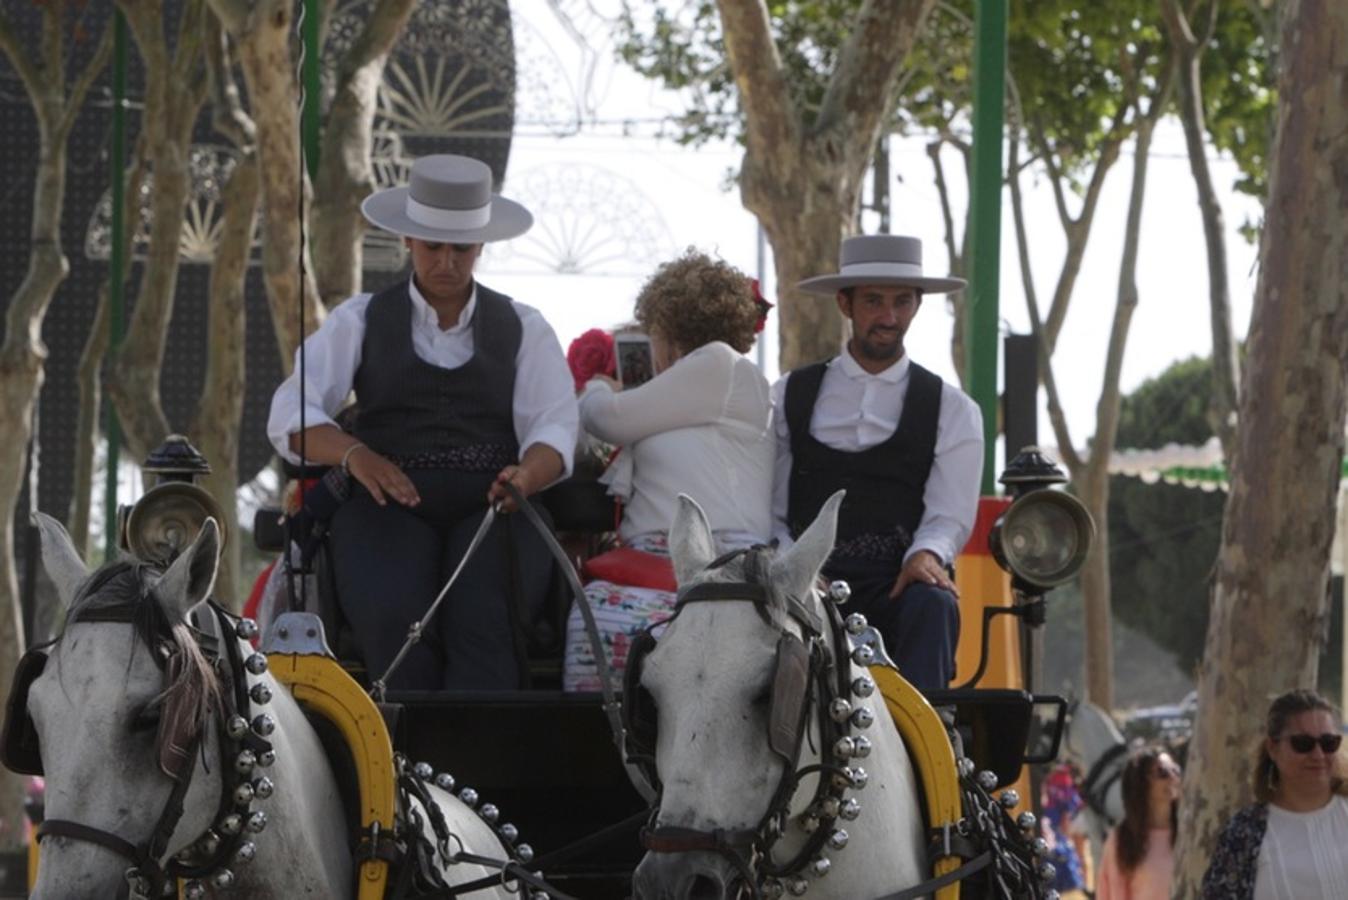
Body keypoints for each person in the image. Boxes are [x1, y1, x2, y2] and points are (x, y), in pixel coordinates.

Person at [266, 154, 578, 690]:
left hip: (494, 510)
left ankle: (483, 765)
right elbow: (292, 414)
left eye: (461, 248)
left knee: (485, 623)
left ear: (480, 248)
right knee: (392, 620)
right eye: (434, 246)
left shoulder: (526, 327)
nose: (447, 261)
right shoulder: (358, 320)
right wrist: (355, 456)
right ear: (408, 242)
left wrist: (525, 479)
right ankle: (396, 766)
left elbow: (554, 428)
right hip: (382, 508)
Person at [771, 234, 982, 691]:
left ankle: (930, 751)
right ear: (845, 304)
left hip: (896, 586)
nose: (889, 318)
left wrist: (927, 555)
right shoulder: (787, 394)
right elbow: (770, 508)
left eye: (902, 302)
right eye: (874, 301)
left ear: (917, 305)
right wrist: (795, 568)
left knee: (936, 605)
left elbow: (949, 515)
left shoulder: (954, 409)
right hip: (804, 585)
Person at [563, 250, 773, 691]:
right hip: (651, 558)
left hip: (714, 554)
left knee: (600, 609)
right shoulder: (690, 385)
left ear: (670, 329)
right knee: (594, 604)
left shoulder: (720, 363)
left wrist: (598, 388)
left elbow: (608, 419)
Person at [1202, 689, 1348, 900]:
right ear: (1273, 748)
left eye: (1328, 743)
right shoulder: (1245, 833)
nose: (1318, 755)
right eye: (1302, 744)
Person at [1097, 746, 1180, 900]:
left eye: (1175, 770)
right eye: (1163, 772)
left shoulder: (1190, 833)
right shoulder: (1121, 840)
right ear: (1141, 783)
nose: (1172, 778)